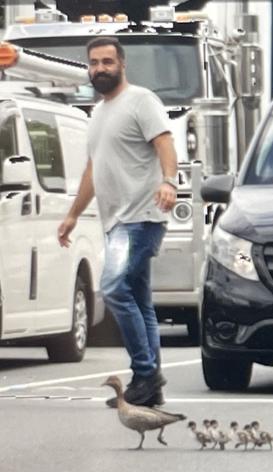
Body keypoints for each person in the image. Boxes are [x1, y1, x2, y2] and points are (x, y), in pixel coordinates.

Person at [57, 36, 178, 408]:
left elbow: (165, 141)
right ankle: (150, 384)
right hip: (116, 221)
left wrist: (170, 180)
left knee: (112, 287)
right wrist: (74, 214)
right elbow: (94, 170)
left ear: (122, 64)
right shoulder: (99, 113)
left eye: (107, 62)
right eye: (94, 63)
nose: (100, 69)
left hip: (139, 217)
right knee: (139, 301)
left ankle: (145, 373)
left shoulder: (140, 100)